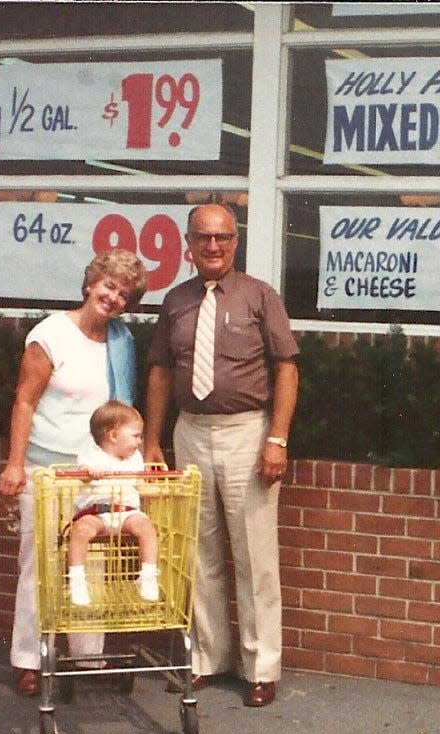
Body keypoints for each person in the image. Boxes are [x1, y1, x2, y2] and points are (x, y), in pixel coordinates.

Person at [144, 202, 299, 708]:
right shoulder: (176, 301)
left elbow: (287, 369)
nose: (214, 246)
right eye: (204, 237)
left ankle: (261, 667)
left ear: (236, 242)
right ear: (188, 244)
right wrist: (152, 440)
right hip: (191, 433)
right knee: (198, 552)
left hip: (245, 434)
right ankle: (209, 659)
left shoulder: (260, 296)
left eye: (224, 237)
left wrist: (276, 439)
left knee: (254, 556)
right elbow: (162, 371)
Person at [0, 248, 148, 698]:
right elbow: (25, 400)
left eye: (123, 293)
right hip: (47, 468)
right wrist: (14, 463)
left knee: (94, 563)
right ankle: (27, 659)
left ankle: (88, 656)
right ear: (90, 284)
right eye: (108, 285)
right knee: (40, 563)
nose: (113, 297)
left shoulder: (120, 343)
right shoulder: (51, 335)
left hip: (96, 474)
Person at [68, 401, 159, 606]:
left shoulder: (135, 458)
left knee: (146, 527)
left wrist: (167, 489)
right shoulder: (91, 453)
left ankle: (148, 575)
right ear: (113, 435)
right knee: (81, 530)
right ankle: (76, 579)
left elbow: (141, 486)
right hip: (96, 512)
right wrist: (90, 472)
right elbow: (83, 474)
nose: (139, 441)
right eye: (135, 435)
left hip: (126, 512)